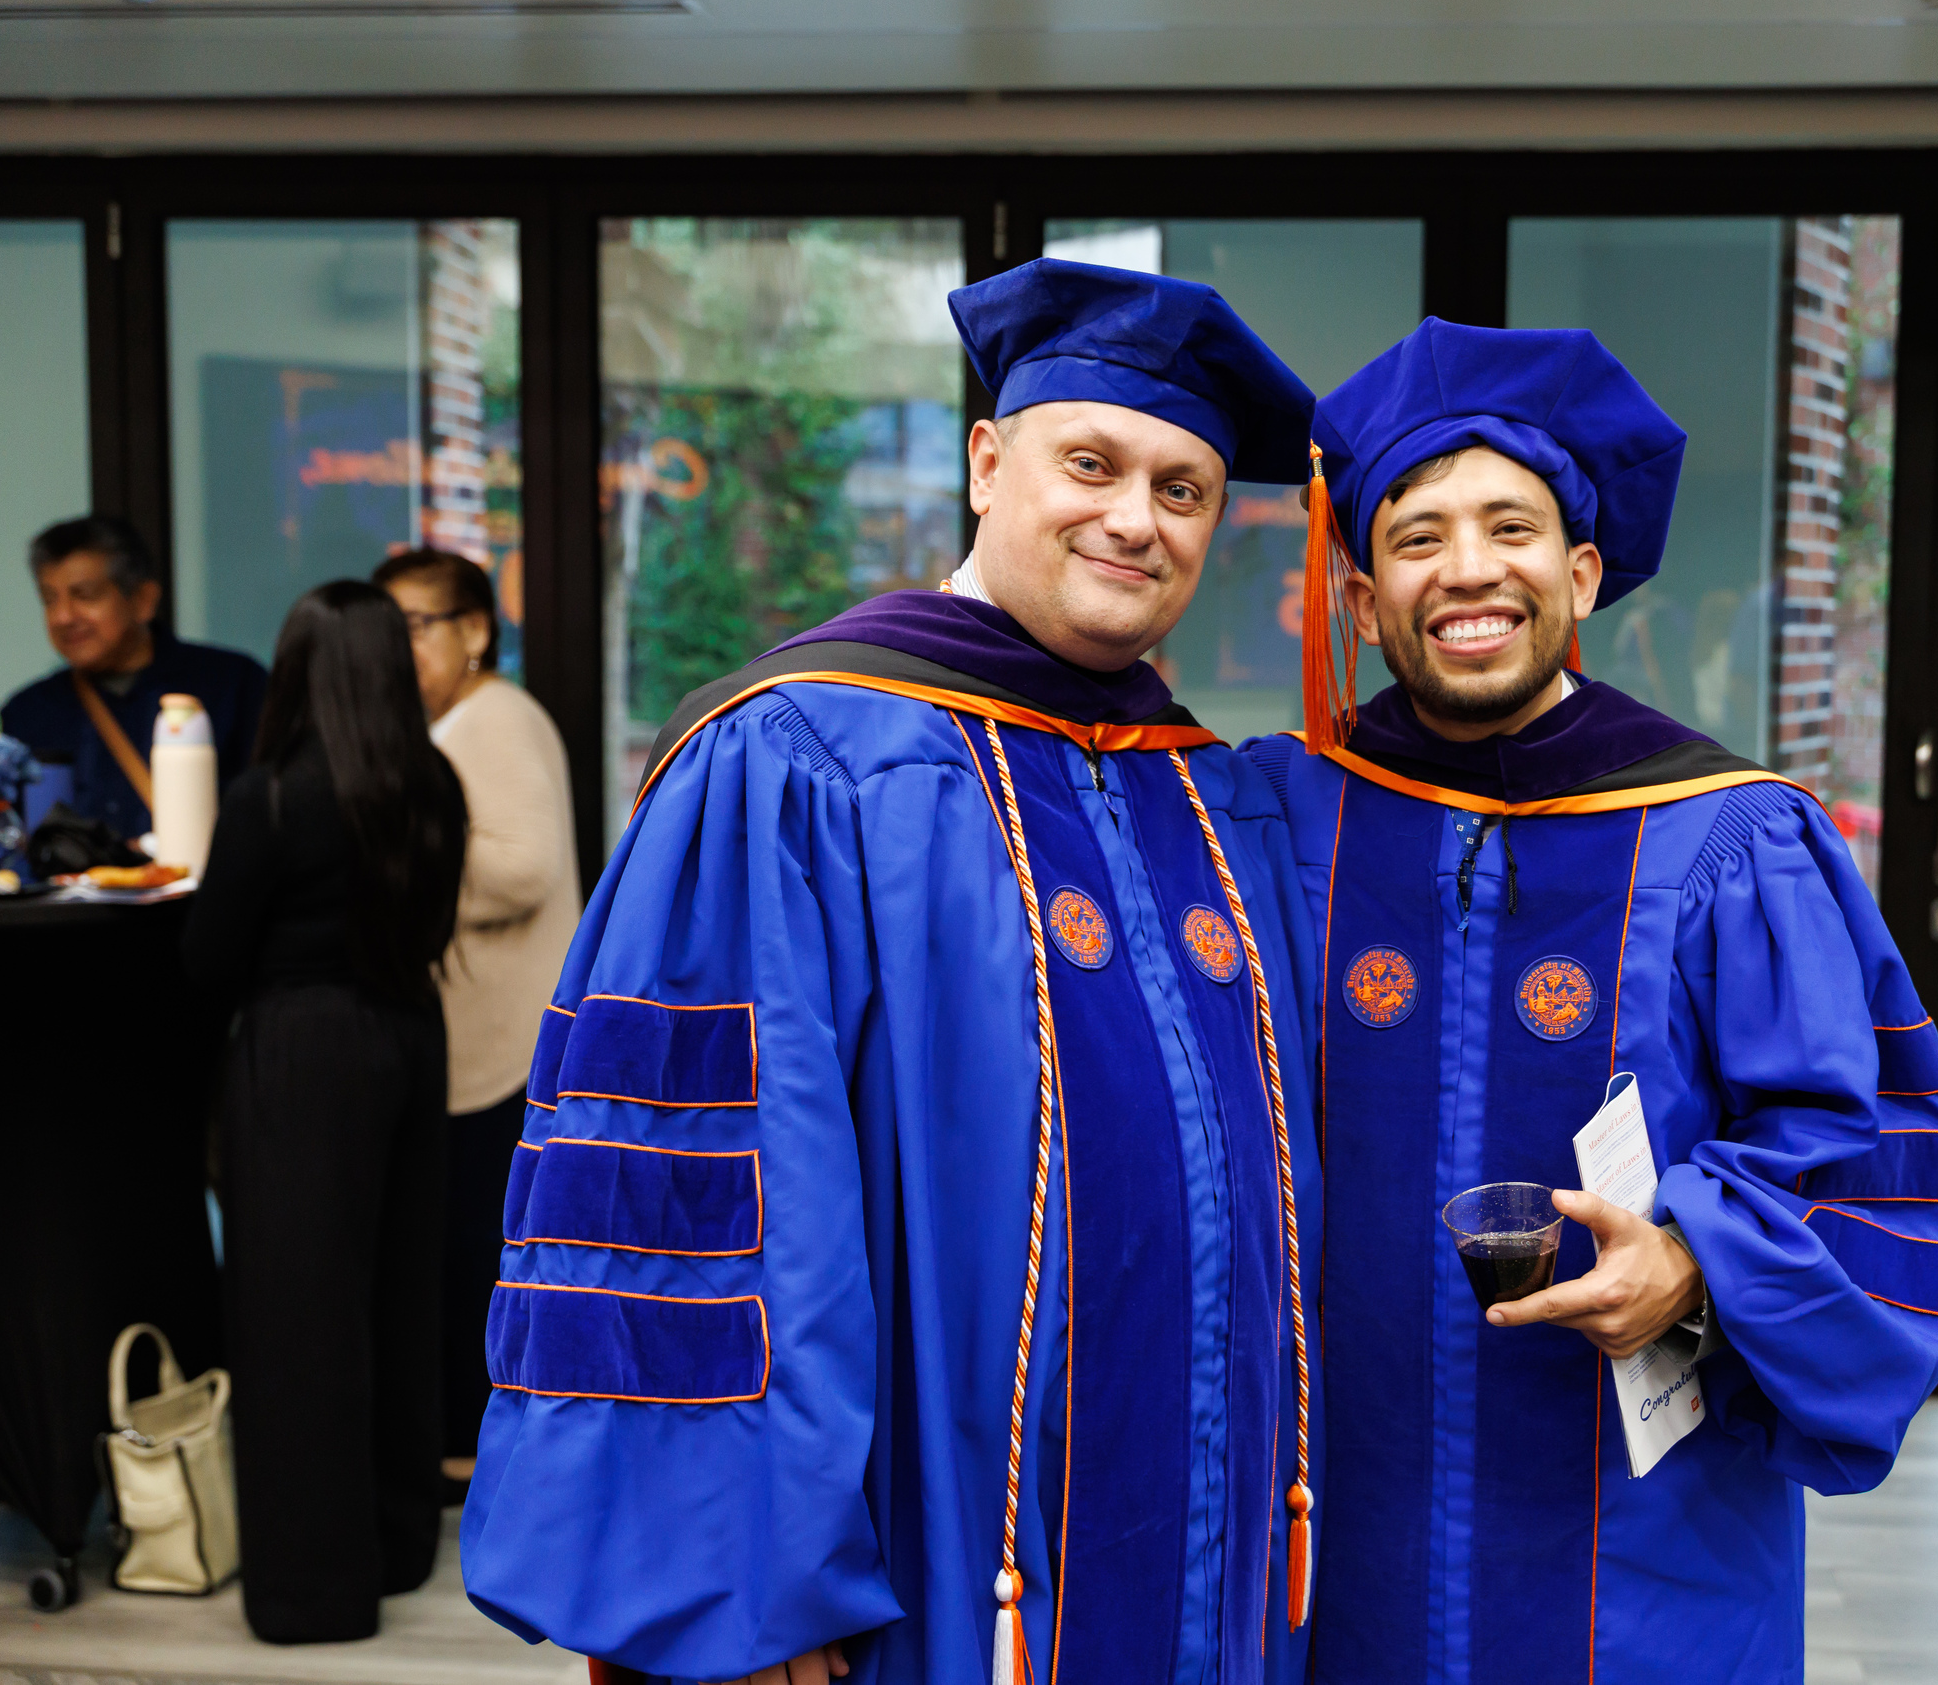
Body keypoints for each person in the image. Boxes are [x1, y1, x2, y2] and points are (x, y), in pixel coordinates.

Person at [460, 259, 1326, 1685]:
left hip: (1195, 1567)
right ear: (988, 464)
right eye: (1092, 463)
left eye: (1182, 487)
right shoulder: (799, 758)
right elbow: (690, 1202)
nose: (1135, 516)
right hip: (910, 1570)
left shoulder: (1208, 803)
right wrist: (745, 1587)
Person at [1244, 321, 1938, 1683]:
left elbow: (1862, 1149)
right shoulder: (1276, 820)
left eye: (1510, 526)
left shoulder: (1734, 836)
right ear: (1357, 595)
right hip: (1340, 1532)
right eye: (1416, 535)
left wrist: (1698, 1253)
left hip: (1646, 1548)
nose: (1469, 569)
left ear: (1580, 573)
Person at [181, 581, 469, 1644]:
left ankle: (312, 1590)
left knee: (297, 1321)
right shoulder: (432, 783)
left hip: (301, 1052)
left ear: (299, 670)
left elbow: (208, 958)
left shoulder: (270, 796)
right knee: (395, 1295)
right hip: (407, 1036)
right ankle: (393, 1544)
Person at [371, 548, 582, 1504]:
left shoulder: (490, 719)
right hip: (482, 1033)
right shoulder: (452, 722)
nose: (400, 645)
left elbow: (522, 868)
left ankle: (470, 1456)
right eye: (391, 627)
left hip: (504, 1038)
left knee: (475, 1253)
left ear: (475, 630)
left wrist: (397, 863)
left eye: (417, 623)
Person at [0, 515, 265, 841]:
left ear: (143, 600)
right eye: (49, 599)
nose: (63, 617)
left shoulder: (232, 685)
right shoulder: (28, 712)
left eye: (85, 595)